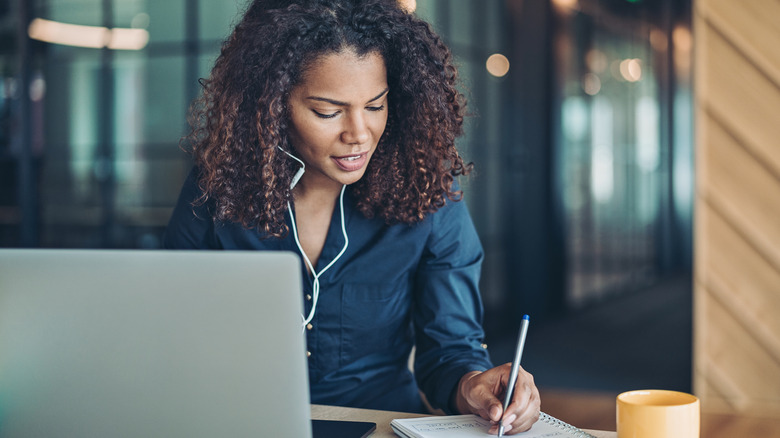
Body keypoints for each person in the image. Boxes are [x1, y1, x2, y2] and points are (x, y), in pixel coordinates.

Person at [163, 0, 541, 434]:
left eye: (375, 105)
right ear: (270, 105)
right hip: (242, 423)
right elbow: (176, 331)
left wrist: (474, 383)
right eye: (328, 111)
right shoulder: (217, 190)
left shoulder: (426, 197)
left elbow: (450, 351)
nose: (359, 134)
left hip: (378, 426)